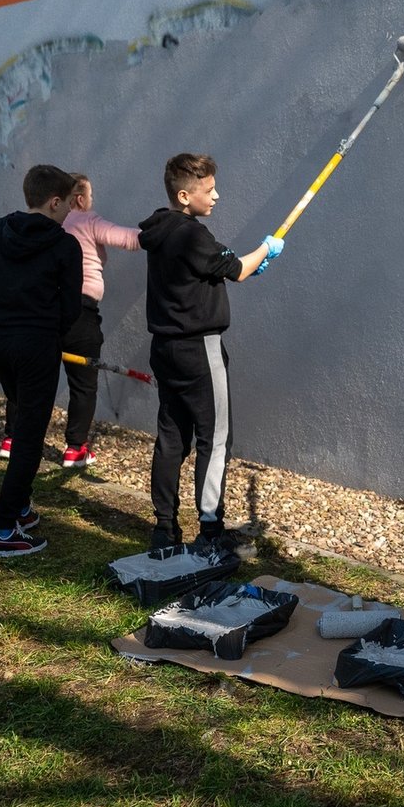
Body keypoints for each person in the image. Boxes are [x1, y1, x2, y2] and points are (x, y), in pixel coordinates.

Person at [138, 152, 282, 553]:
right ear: (184, 196)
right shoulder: (192, 235)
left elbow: (211, 271)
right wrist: (266, 250)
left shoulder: (159, 230)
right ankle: (211, 532)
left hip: (164, 348)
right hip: (200, 350)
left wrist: (246, 263)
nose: (217, 196)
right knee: (215, 440)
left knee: (171, 437)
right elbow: (238, 270)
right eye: (209, 189)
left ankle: (164, 529)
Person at [0, 164, 84, 558]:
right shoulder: (64, 245)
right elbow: (71, 307)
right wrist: (50, 331)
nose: (70, 211)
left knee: (22, 415)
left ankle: (21, 505)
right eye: (69, 204)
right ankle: (4, 529)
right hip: (37, 345)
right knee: (28, 436)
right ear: (54, 201)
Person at [0, 174, 141, 469]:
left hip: (43, 309)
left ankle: (13, 438)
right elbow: (128, 239)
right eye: (90, 196)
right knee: (83, 382)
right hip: (81, 312)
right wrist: (165, 228)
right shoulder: (88, 220)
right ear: (80, 199)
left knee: (28, 376)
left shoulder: (46, 225)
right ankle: (75, 448)